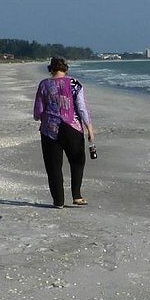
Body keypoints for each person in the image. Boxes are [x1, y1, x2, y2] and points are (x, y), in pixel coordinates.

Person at [33, 57, 95, 208]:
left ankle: (58, 201)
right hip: (72, 128)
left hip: (49, 129)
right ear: (66, 69)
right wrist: (90, 129)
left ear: (51, 69)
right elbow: (81, 108)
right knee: (77, 161)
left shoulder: (44, 84)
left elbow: (38, 111)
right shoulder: (74, 83)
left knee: (53, 166)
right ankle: (77, 196)